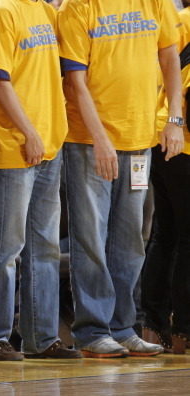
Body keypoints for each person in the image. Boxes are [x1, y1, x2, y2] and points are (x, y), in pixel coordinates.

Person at [58, 0, 183, 357]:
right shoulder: (76, 9)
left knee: (131, 239)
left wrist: (174, 119)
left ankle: (123, 326)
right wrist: (100, 138)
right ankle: (92, 331)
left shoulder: (156, 3)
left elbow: (170, 57)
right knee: (90, 238)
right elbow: (75, 81)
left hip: (139, 141)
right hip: (89, 143)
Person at [0, 0, 81, 361]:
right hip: (14, 147)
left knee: (45, 247)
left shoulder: (47, 12)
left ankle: (42, 337)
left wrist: (49, 133)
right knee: (6, 246)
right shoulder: (0, 12)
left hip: (49, 146)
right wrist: (28, 131)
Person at [141, 0, 190, 355]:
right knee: (180, 237)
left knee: (167, 234)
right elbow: (168, 72)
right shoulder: (183, 20)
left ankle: (154, 325)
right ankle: (181, 330)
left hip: (165, 135)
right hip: (178, 140)